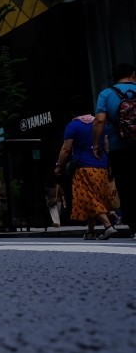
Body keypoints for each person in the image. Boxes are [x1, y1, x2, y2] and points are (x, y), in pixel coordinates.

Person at [55, 95, 117, 239]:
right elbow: (107, 146)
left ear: (72, 113)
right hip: (102, 166)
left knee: (88, 197)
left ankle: (108, 225)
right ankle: (90, 231)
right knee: (96, 196)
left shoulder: (73, 125)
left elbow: (66, 149)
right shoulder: (101, 124)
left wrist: (59, 166)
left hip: (83, 167)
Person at [92, 63, 136, 236]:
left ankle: (134, 226)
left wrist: (96, 144)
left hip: (120, 148)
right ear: (133, 74)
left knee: (125, 187)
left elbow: (100, 120)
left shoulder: (107, 94)